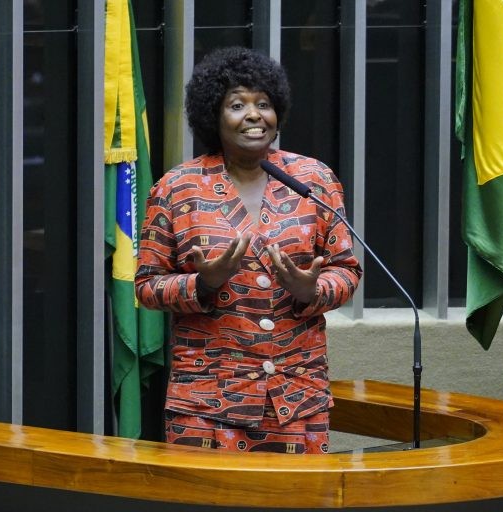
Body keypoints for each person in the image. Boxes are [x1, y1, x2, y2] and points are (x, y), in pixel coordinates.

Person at [135, 46, 361, 454]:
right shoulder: (176, 187)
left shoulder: (314, 180)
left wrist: (312, 290)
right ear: (213, 115)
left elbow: (347, 269)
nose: (254, 115)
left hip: (296, 396)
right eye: (237, 105)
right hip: (206, 401)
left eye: (264, 104)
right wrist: (202, 284)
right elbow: (147, 286)